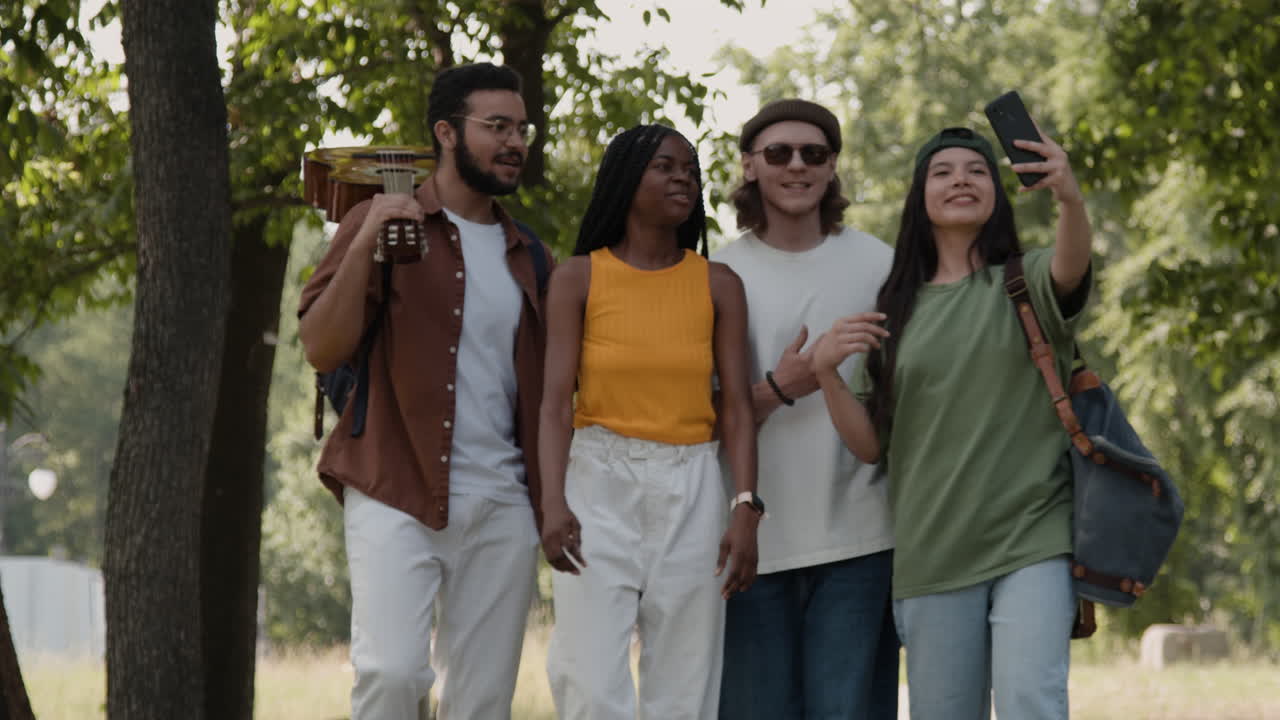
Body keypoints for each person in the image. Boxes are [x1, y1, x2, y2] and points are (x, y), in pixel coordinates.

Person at [813, 124, 1094, 720]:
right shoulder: (893, 313)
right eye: (942, 172)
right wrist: (826, 374)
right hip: (932, 553)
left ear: (996, 192)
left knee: (1032, 701)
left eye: (977, 170)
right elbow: (870, 446)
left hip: (1034, 537)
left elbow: (1072, 264)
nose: (960, 180)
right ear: (921, 197)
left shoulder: (1026, 283)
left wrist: (1068, 195)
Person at [298, 62, 549, 719]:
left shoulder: (530, 255)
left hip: (503, 500)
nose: (515, 141)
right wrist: (366, 241)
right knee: (391, 673)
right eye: (497, 126)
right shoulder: (378, 219)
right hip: (392, 482)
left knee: (482, 701)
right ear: (446, 132)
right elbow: (321, 346)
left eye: (521, 129)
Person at [538, 123, 761, 720]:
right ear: (624, 180)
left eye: (690, 170)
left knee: (685, 683)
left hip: (693, 484)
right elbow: (554, 404)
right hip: (597, 480)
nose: (683, 178)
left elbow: (736, 407)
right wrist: (552, 502)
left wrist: (745, 507)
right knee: (590, 680)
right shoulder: (578, 278)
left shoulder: (718, 284)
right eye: (665, 167)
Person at [713, 99, 900, 719]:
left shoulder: (881, 263)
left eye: (813, 153)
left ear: (832, 166)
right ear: (749, 166)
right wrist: (779, 387)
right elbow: (695, 418)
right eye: (778, 153)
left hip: (862, 541)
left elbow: (911, 396)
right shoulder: (718, 270)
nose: (797, 165)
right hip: (749, 546)